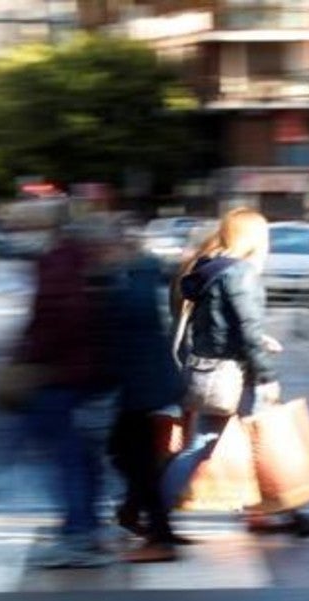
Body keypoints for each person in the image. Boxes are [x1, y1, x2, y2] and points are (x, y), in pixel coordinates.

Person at [162, 208, 309, 538]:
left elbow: (218, 325)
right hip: (235, 375)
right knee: (268, 439)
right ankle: (291, 514)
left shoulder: (210, 271)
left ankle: (154, 513)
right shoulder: (240, 273)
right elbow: (245, 329)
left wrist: (258, 339)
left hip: (209, 372)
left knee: (203, 445)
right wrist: (266, 374)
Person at [17, 217, 119, 569]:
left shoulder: (60, 264)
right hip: (90, 376)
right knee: (81, 455)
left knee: (64, 456)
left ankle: (78, 534)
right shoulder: (94, 267)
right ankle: (85, 527)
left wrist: (32, 355)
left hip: (61, 376)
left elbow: (55, 319)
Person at [104, 232, 187, 562]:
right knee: (127, 454)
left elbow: (125, 335)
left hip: (140, 386)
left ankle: (159, 535)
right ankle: (138, 515)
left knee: (135, 459)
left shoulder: (131, 284)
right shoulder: (140, 276)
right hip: (143, 384)